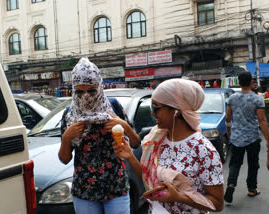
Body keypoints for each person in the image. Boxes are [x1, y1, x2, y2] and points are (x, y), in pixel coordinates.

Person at [114, 79, 224, 213]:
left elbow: (217, 204)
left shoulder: (203, 150)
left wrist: (179, 197)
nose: (152, 113)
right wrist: (130, 156)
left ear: (176, 110)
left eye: (156, 107)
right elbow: (148, 178)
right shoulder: (156, 138)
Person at [58, 57, 140, 214]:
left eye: (91, 90)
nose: (86, 96)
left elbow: (136, 143)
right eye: (80, 91)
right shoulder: (70, 115)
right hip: (84, 190)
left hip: (116, 187)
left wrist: (125, 127)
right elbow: (64, 159)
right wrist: (67, 137)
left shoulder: (113, 106)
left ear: (100, 87)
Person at [224, 72, 269, 203]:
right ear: (251, 82)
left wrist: (229, 131)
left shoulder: (232, 98)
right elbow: (262, 120)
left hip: (237, 137)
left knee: (235, 163)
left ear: (239, 82)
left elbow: (228, 118)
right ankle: (252, 188)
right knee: (253, 164)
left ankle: (231, 184)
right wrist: (267, 138)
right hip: (253, 138)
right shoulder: (257, 99)